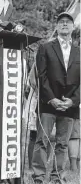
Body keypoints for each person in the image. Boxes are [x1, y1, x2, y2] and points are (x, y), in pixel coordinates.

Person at [32, 12, 80, 184]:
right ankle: (38, 176)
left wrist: (73, 101)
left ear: (73, 27)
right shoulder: (45, 48)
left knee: (62, 144)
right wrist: (51, 99)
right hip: (48, 103)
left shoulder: (79, 52)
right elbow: (41, 76)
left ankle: (57, 177)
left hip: (70, 106)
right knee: (42, 141)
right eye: (61, 22)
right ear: (57, 27)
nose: (65, 24)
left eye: (68, 22)